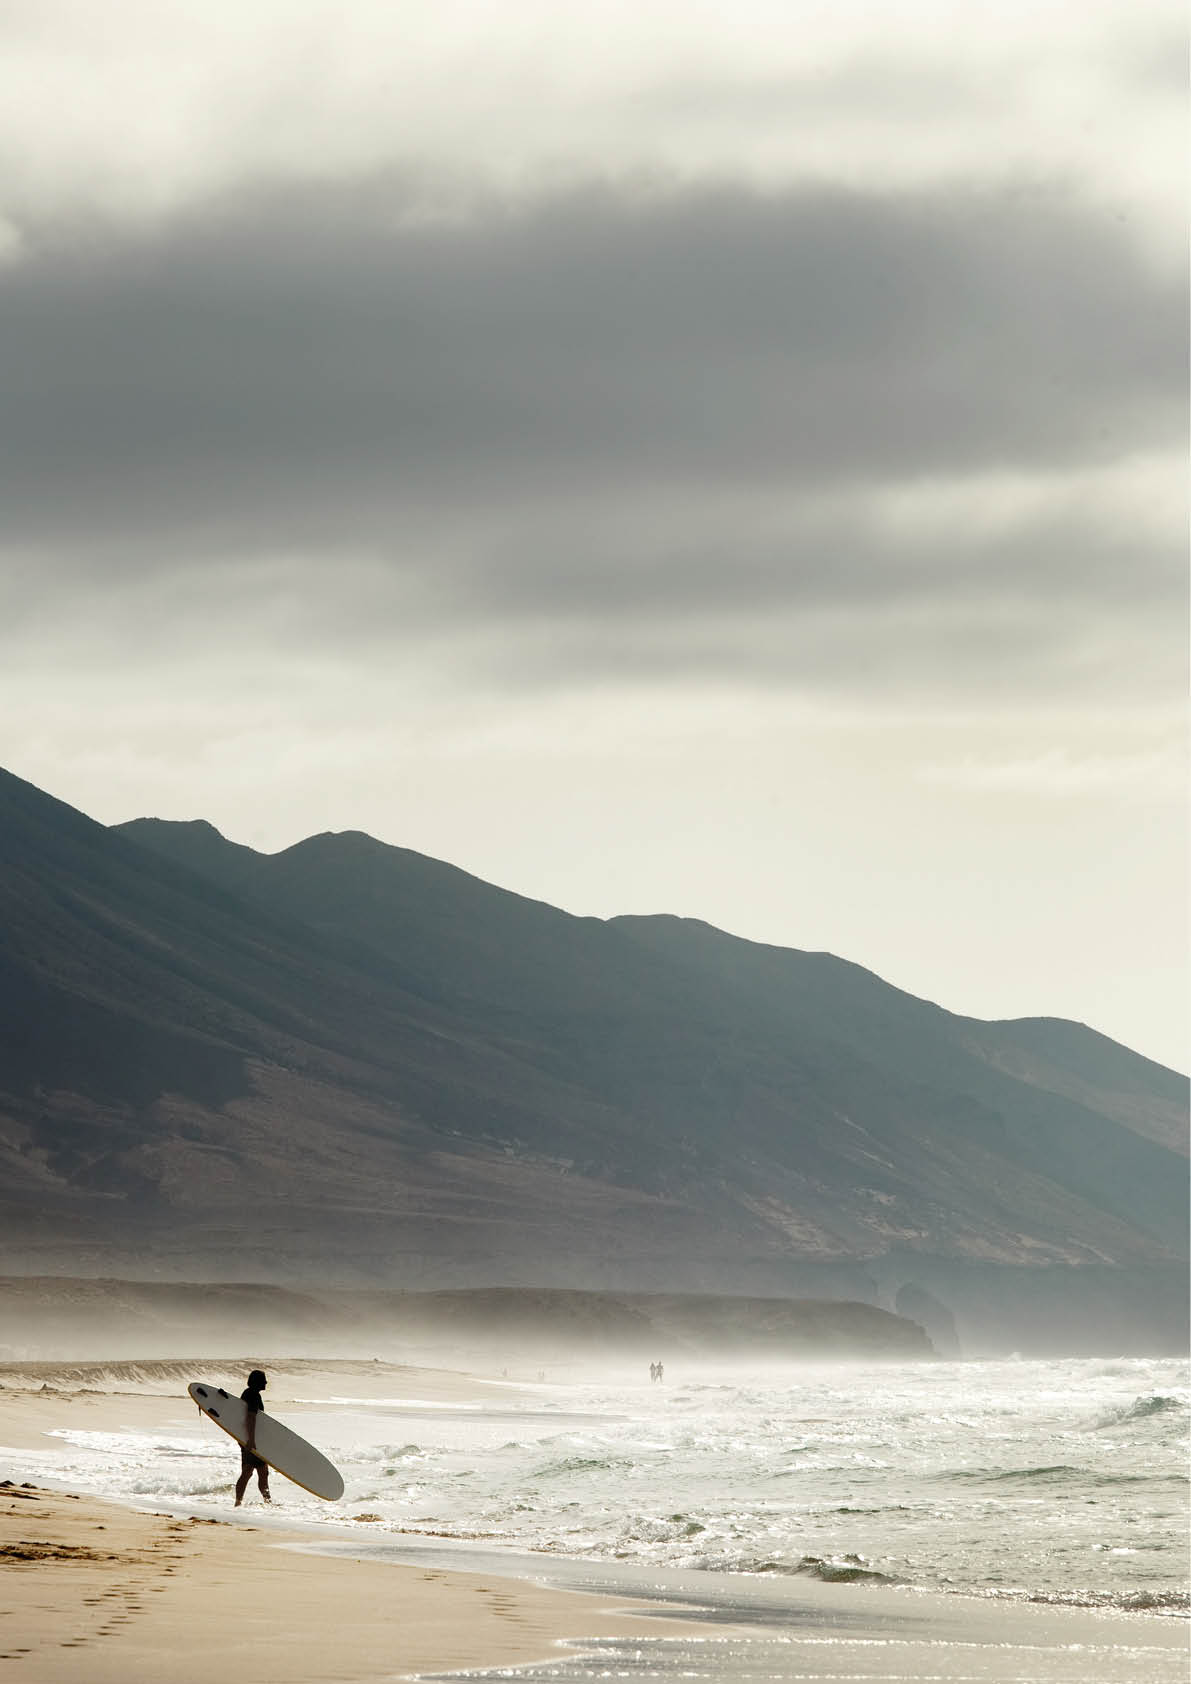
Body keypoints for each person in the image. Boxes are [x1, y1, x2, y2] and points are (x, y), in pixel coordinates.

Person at [234, 1369, 271, 1507]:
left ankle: (238, 1502)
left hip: (246, 1437)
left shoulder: (247, 1393)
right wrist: (251, 1439)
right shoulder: (254, 1395)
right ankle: (267, 1502)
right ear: (258, 1382)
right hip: (252, 1439)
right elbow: (251, 1417)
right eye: (264, 1380)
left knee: (250, 1472)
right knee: (256, 1472)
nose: (266, 1382)